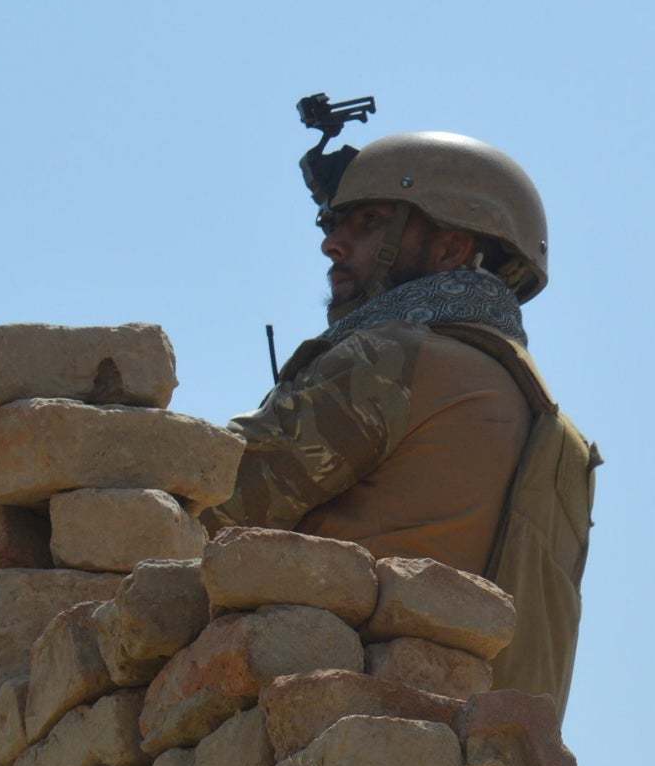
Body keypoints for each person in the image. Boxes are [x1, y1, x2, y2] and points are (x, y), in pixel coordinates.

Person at [216, 127, 598, 714]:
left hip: (326, 724)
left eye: (368, 223)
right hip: (468, 761)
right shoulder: (549, 424)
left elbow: (208, 499)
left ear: (448, 250)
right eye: (333, 225)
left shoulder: (391, 360)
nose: (333, 246)